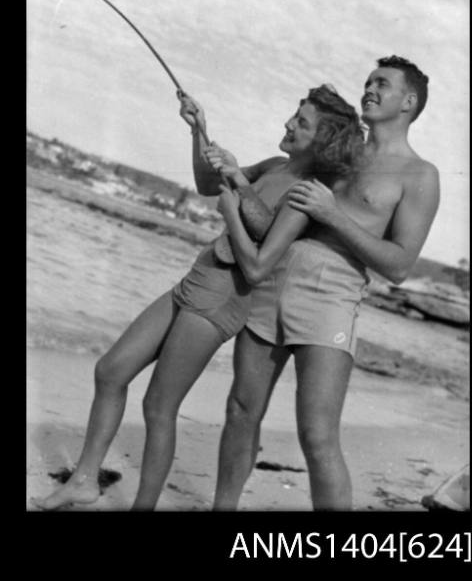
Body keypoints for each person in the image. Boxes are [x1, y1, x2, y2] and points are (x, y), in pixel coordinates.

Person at [32, 84, 362, 511]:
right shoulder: (276, 165)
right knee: (110, 371)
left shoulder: (306, 192)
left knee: (158, 405)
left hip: (222, 300)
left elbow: (259, 264)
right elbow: (209, 184)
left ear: (322, 139)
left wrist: (234, 205)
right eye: (293, 115)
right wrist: (198, 131)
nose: (288, 123)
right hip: (197, 278)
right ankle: (83, 480)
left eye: (301, 122)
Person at [212, 55, 440, 511]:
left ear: (409, 101)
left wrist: (332, 214)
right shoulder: (339, 153)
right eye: (369, 81)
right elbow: (275, 220)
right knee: (240, 410)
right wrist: (238, 181)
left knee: (316, 435)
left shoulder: (421, 175)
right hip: (273, 280)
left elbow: (398, 266)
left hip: (332, 296)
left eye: (382, 83)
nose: (369, 89)